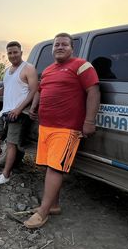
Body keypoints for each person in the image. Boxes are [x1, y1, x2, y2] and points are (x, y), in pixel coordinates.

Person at [25, 33, 100, 229]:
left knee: (56, 168)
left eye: (64, 44)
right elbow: (40, 90)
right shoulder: (48, 70)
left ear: (72, 48)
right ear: (52, 49)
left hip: (66, 128)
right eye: (56, 44)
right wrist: (34, 107)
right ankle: (54, 205)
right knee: (48, 166)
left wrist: (89, 121)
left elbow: (93, 92)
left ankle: (42, 212)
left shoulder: (82, 65)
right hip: (46, 126)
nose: (59, 47)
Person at [0, 41, 38, 184]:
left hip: (19, 113)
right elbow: (5, 90)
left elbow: (34, 90)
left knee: (11, 144)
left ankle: (5, 175)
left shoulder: (28, 68)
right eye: (10, 53)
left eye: (15, 52)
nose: (12, 55)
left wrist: (18, 109)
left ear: (21, 53)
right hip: (4, 112)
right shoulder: (7, 70)